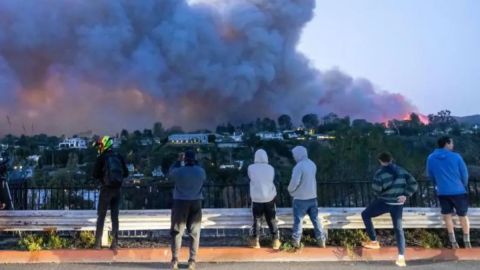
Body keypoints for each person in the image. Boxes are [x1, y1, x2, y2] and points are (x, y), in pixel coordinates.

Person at [361, 152, 418, 267]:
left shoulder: (380, 173)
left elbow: (376, 190)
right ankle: (401, 257)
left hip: (384, 202)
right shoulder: (401, 170)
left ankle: (374, 241)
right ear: (391, 160)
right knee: (398, 229)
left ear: (381, 161)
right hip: (397, 204)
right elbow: (413, 183)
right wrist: (406, 195)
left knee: (365, 214)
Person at [427, 136, 471, 249]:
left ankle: (453, 241)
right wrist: (463, 185)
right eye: (451, 143)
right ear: (447, 144)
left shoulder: (431, 158)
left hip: (442, 192)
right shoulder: (456, 157)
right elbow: (464, 174)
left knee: (447, 215)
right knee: (463, 215)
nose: (453, 145)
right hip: (458, 191)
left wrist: (438, 184)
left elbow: (430, 175)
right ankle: (466, 241)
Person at [169, 150, 206, 270]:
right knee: (194, 233)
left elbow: (170, 174)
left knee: (177, 232)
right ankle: (192, 261)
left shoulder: (179, 171)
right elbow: (203, 176)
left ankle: (175, 260)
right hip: (196, 202)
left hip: (180, 202)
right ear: (195, 159)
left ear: (184, 159)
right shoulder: (200, 171)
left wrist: (177, 161)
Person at [92, 136, 128, 250]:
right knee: (114, 217)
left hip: (106, 190)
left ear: (104, 145)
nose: (99, 148)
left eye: (99, 146)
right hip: (117, 190)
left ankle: (97, 244)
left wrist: (103, 177)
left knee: (101, 216)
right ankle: (115, 243)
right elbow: (126, 173)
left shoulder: (102, 157)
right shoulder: (118, 156)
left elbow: (94, 174)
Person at [288, 146, 327, 248]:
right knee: (315, 219)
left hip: (300, 199)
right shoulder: (312, 164)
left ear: (298, 154)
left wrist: (290, 190)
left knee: (298, 221)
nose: (294, 157)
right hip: (313, 198)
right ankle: (321, 240)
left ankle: (296, 241)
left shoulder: (299, 166)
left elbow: (295, 182)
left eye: (294, 155)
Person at [248, 149, 281, 250]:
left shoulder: (251, 168)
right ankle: (275, 241)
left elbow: (251, 178)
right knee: (272, 219)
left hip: (256, 198)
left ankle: (255, 241)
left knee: (257, 219)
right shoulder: (270, 168)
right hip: (269, 197)